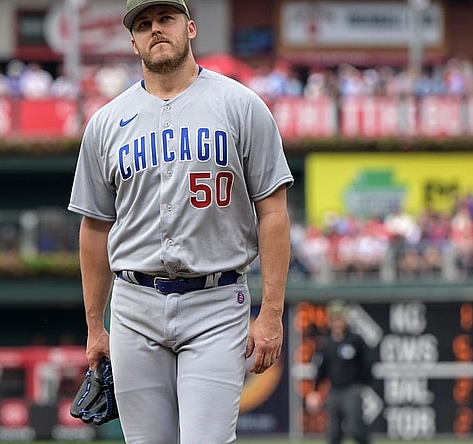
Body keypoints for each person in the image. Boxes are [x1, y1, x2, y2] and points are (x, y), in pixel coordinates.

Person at [66, 0, 294, 442]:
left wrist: (271, 314)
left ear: (190, 28)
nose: (155, 30)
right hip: (134, 304)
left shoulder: (241, 106)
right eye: (144, 24)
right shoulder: (106, 123)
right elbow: (94, 228)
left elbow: (273, 212)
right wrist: (96, 326)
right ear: (133, 41)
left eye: (165, 19)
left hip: (217, 299)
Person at [306, 300, 375, 444]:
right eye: (334, 319)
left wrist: (363, 383)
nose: (337, 322)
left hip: (352, 389)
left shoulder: (355, 340)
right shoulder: (325, 343)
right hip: (334, 390)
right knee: (334, 433)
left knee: (356, 429)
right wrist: (315, 391)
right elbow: (320, 369)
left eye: (340, 318)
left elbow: (367, 363)